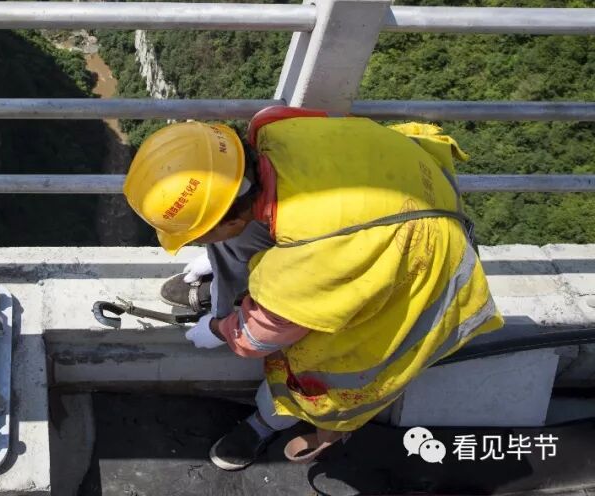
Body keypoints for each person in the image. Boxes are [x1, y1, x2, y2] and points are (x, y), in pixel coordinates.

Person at [121, 106, 503, 471]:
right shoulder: (273, 127)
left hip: (421, 273)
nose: (196, 242)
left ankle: (273, 421)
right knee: (255, 251)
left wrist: (221, 329)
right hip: (411, 191)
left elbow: (257, 338)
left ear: (227, 220)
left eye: (200, 235)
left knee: (329, 372)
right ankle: (235, 283)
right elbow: (256, 211)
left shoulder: (309, 259)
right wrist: (223, 255)